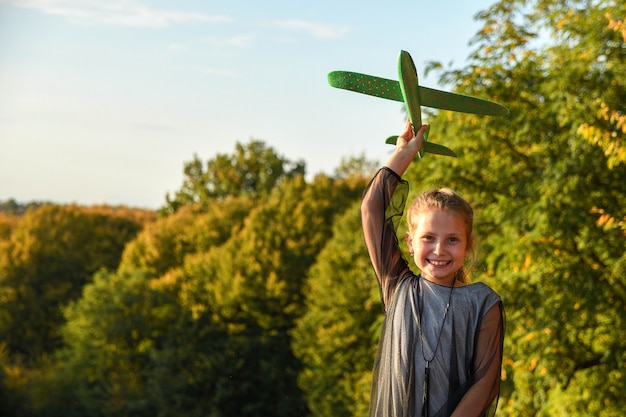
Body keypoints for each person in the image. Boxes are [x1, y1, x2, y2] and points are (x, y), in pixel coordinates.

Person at [360, 121, 504, 417]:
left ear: (468, 245)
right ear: (410, 243)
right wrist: (403, 154)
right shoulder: (397, 285)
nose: (439, 250)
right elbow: (371, 209)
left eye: (452, 240)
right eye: (428, 238)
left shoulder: (483, 303)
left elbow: (485, 383)